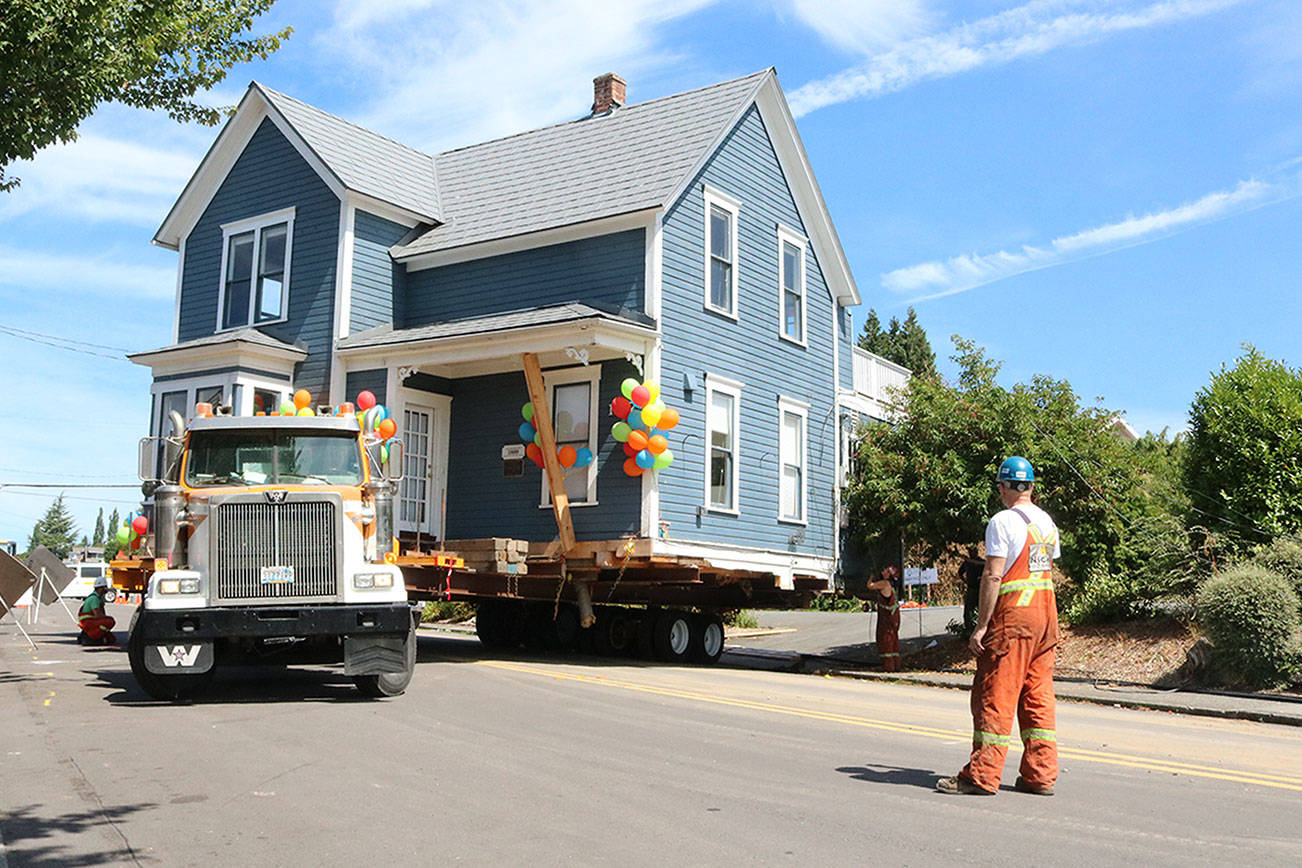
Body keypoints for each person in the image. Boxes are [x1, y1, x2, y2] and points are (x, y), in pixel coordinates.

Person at [938, 457, 1060, 796]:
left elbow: (993, 575)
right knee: (1038, 697)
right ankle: (1040, 775)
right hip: (1046, 617)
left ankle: (981, 776)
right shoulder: (1047, 522)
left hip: (1015, 619)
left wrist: (980, 626)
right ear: (1032, 486)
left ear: (1003, 487)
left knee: (996, 694)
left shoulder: (1002, 521)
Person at [863, 564, 902, 672]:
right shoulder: (893, 585)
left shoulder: (884, 584)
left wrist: (871, 576)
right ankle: (896, 665)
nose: (883, 572)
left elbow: (870, 586)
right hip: (894, 617)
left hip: (887, 617)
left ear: (889, 574)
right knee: (893, 639)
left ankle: (889, 666)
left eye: (885, 570)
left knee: (886, 640)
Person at [77, 576, 117, 645]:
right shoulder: (94, 599)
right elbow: (98, 615)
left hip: (90, 620)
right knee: (109, 621)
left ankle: (94, 635)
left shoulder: (99, 598)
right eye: (105, 587)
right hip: (87, 621)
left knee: (111, 638)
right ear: (101, 588)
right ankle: (91, 637)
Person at [958, 546, 984, 636]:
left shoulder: (981, 562)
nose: (970, 553)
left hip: (980, 589)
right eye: (969, 551)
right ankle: (968, 630)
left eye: (972, 551)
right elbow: (960, 573)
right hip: (971, 588)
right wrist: (966, 581)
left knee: (982, 610)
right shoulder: (967, 562)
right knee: (968, 611)